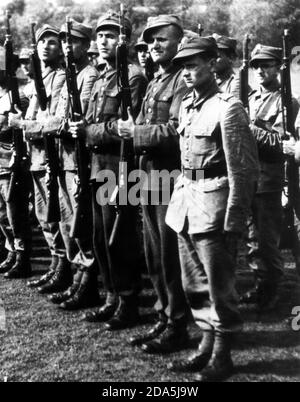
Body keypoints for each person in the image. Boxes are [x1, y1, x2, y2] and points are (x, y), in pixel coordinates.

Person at [164, 36, 258, 382]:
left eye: (193, 65)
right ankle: (205, 344)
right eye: (183, 67)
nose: (187, 73)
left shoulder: (227, 108)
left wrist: (234, 219)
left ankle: (223, 353)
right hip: (186, 202)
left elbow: (243, 169)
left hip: (215, 207)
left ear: (212, 63)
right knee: (195, 285)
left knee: (220, 286)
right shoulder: (189, 105)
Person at [69, 11, 148, 330]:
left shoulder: (133, 76)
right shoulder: (100, 75)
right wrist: (80, 128)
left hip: (122, 167)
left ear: (125, 41)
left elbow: (127, 127)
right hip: (98, 165)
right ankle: (112, 297)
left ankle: (128, 301)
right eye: (100, 35)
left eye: (111, 34)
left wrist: (89, 131)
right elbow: (93, 120)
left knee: (121, 239)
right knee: (100, 237)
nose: (103, 40)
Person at [117, 14, 190, 353]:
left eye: (162, 39)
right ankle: (163, 316)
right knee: (153, 253)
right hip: (147, 174)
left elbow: (176, 132)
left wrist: (136, 133)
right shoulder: (157, 79)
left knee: (169, 253)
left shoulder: (181, 81)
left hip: (169, 176)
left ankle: (177, 324)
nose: (154, 46)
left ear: (178, 41)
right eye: (151, 40)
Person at [31, 20, 99, 310]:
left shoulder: (89, 75)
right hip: (63, 157)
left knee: (80, 223)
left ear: (85, 46)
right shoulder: (69, 75)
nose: (69, 47)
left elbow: (67, 120)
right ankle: (76, 279)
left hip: (79, 159)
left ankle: (87, 282)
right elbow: (57, 117)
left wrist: (30, 124)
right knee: (67, 220)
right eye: (66, 42)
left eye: (74, 42)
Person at [9, 25, 70, 289]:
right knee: (44, 215)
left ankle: (65, 267)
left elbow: (54, 121)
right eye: (42, 41)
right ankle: (57, 264)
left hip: (51, 156)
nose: (46, 46)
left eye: (53, 42)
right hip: (34, 156)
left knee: (57, 215)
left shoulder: (62, 77)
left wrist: (23, 125)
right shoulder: (38, 81)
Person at [240, 44, 299, 310]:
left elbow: (281, 143)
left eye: (266, 64)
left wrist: (248, 128)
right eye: (256, 65)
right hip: (249, 176)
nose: (261, 70)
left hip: (270, 178)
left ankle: (271, 287)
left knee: (267, 239)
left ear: (278, 67)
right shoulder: (250, 99)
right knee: (253, 238)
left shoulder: (287, 102)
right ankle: (260, 282)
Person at [0, 47, 31, 278]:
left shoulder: (16, 95)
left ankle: (22, 255)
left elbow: (20, 128)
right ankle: (11, 250)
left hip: (10, 162)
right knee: (1, 214)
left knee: (14, 213)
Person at [212, 33, 240, 98]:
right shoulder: (211, 81)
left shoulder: (236, 83)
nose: (212, 60)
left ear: (231, 58)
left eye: (217, 57)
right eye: (211, 56)